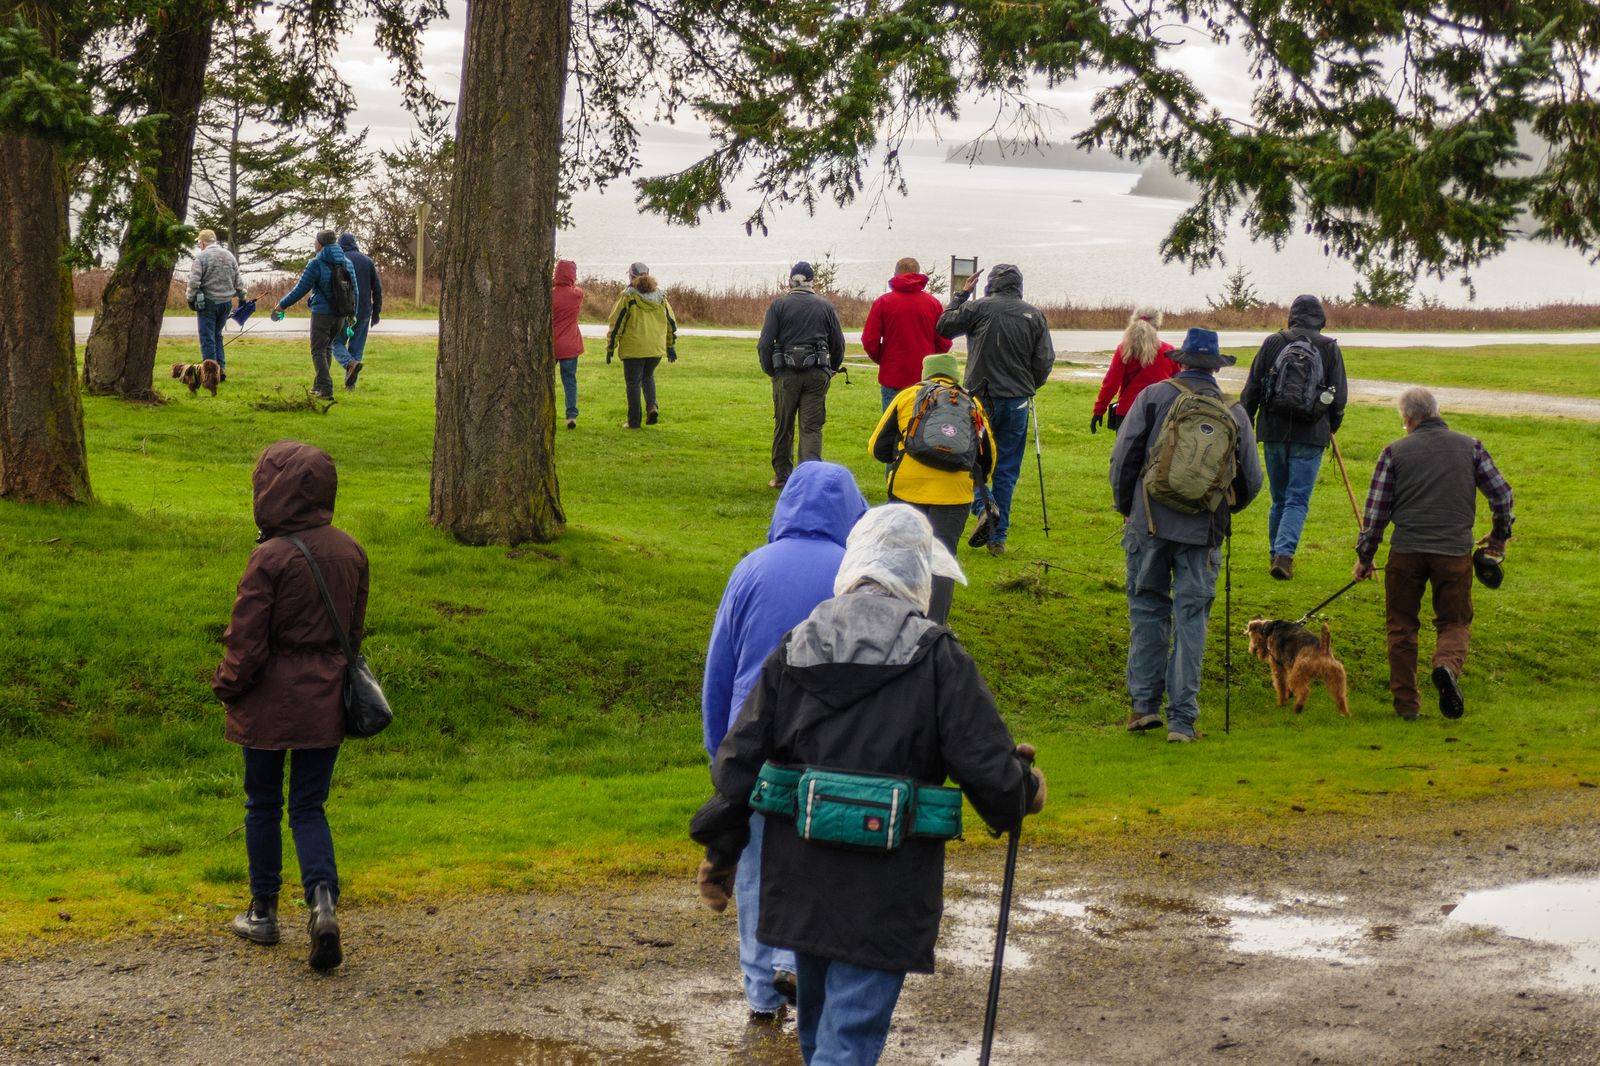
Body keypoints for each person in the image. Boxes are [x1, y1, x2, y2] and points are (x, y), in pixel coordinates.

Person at [690, 504, 1046, 1066]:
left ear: (855, 566)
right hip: (885, 887)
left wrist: (721, 848)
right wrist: (1023, 789)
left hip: (799, 878)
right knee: (847, 1042)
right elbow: (987, 767)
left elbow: (739, 760)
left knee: (820, 1037)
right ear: (917, 575)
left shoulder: (795, 645)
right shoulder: (938, 656)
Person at [701, 462, 869, 1021]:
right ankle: (801, 964)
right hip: (832, 743)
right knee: (818, 859)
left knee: (753, 867)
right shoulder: (854, 572)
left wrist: (718, 748)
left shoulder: (751, 569)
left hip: (756, 741)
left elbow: (719, 669)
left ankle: (760, 988)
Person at [212, 440, 369, 972]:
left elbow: (246, 640)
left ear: (271, 489)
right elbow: (353, 632)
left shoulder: (270, 557)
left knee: (262, 803)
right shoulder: (351, 550)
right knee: (308, 806)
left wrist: (227, 686)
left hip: (267, 704)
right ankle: (322, 903)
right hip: (325, 699)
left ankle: (263, 911)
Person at [1109, 328, 1263, 742]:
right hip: (1203, 531)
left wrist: (1130, 509)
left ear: (1181, 361)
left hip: (1150, 523)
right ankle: (1181, 721)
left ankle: (1143, 707)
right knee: (1191, 619)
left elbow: (1124, 457)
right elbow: (1252, 479)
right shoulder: (1233, 410)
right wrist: (1222, 508)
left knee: (1147, 609)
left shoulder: (1154, 397)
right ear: (1215, 367)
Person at [1353, 387, 1514, 721]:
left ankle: (1407, 706)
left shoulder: (1393, 452)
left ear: (1408, 418)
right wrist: (1499, 536)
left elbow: (1376, 513)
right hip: (1454, 552)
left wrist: (1365, 558)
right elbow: (1501, 494)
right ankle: (1446, 666)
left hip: (1406, 552)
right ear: (1436, 412)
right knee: (1454, 621)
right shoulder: (1471, 447)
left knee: (1401, 626)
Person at [936, 263, 1055, 556]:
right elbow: (1045, 360)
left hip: (981, 398)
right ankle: (997, 536)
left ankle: (985, 508)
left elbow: (944, 327)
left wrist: (961, 295)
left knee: (972, 460)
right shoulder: (1033, 314)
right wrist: (1030, 385)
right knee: (1006, 468)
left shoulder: (979, 308)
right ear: (1018, 285)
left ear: (990, 284)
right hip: (1016, 400)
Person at [868, 353, 995, 623]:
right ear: (955, 375)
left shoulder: (907, 397)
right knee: (941, 560)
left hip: (906, 492)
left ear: (926, 372)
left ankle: (898, 621)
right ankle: (933, 630)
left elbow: (876, 446)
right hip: (954, 497)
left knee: (901, 557)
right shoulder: (972, 404)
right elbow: (988, 460)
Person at [1239, 294, 1349, 580]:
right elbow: (1339, 396)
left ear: (1293, 315)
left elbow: (1252, 387)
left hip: (1273, 430)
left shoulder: (1273, 342)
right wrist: (1331, 425)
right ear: (1321, 318)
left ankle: (1275, 554)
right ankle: (1284, 556)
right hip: (1311, 433)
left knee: (1279, 498)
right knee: (1297, 499)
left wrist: (1247, 424)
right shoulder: (1328, 348)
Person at [758, 261, 846, 490]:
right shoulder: (825, 307)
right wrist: (832, 369)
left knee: (783, 425)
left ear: (790, 280)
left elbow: (765, 344)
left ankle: (782, 477)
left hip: (785, 375)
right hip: (817, 374)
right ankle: (809, 480)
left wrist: (771, 371)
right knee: (811, 427)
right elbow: (839, 344)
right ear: (812, 281)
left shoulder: (778, 306)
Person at [271, 231, 360, 400]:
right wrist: (352, 313)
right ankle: (318, 386)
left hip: (322, 314)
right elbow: (355, 290)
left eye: (315, 241)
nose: (314, 244)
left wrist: (281, 305)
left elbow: (300, 289)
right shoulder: (346, 262)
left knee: (318, 350)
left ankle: (326, 389)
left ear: (320, 244)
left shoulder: (316, 263)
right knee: (327, 347)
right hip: (340, 314)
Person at [861, 257, 952, 411]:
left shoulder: (883, 303)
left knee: (891, 428)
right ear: (917, 274)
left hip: (893, 375)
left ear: (895, 274)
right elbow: (944, 341)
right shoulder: (933, 304)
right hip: (924, 376)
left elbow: (870, 341)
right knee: (922, 427)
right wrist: (930, 358)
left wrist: (884, 359)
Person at [605, 262, 677, 429]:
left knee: (633, 383)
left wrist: (610, 346)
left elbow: (617, 323)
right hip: (655, 348)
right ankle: (652, 406)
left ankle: (634, 421)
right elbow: (671, 322)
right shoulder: (661, 296)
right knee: (648, 376)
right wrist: (670, 345)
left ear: (631, 277)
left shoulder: (628, 296)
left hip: (634, 348)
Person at [1091, 307, 1177, 434]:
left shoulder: (1124, 350)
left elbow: (1111, 384)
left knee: (1125, 453)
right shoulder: (1169, 351)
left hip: (1128, 412)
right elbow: (1178, 383)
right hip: (1159, 413)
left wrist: (1099, 410)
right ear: (1157, 326)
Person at [187, 228, 245, 380]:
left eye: (199, 242)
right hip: (226, 303)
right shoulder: (229, 256)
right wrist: (242, 297)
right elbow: (238, 279)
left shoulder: (202, 258)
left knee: (207, 338)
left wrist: (190, 299)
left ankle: (211, 373)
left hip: (208, 303)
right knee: (217, 335)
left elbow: (194, 282)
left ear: (203, 242)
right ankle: (221, 368)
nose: (199, 245)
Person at [331, 233, 383, 390]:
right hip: (364, 312)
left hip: (344, 311)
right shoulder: (367, 261)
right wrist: (376, 313)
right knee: (357, 348)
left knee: (336, 342)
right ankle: (350, 386)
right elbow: (377, 290)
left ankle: (349, 364)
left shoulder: (339, 260)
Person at [552, 258, 585, 429]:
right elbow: (577, 289)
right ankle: (571, 415)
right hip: (570, 344)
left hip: (551, 344)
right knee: (570, 381)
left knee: (547, 381)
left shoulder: (550, 294)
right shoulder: (577, 294)